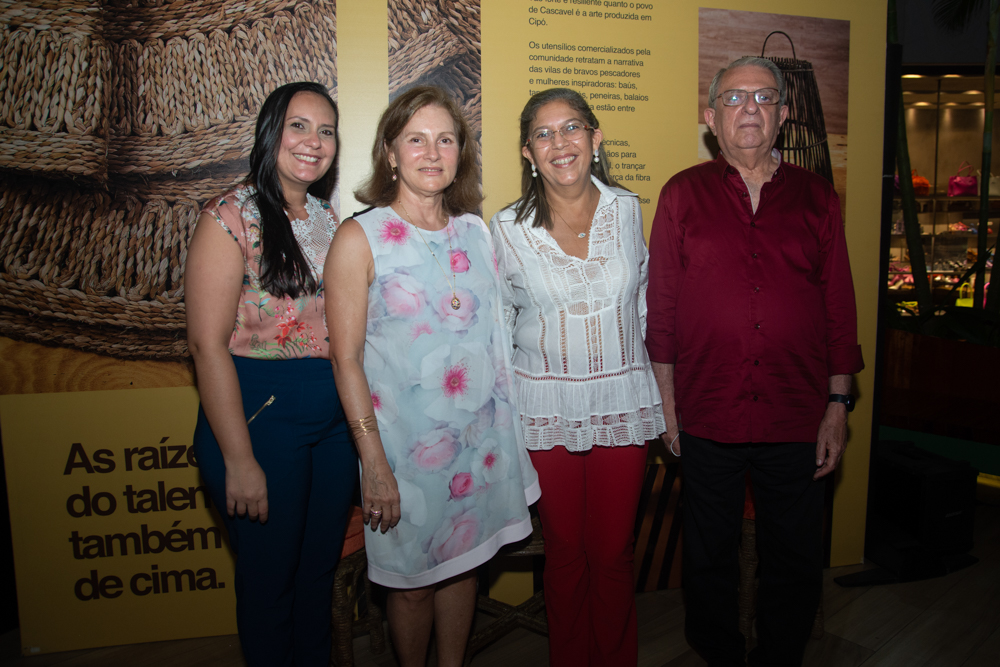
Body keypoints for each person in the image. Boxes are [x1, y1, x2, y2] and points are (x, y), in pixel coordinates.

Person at [646, 57, 864, 667]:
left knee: (794, 555)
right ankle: (717, 652)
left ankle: (780, 656)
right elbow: (660, 310)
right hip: (705, 407)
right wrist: (667, 405)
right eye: (735, 98)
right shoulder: (681, 194)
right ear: (711, 118)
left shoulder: (818, 198)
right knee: (708, 552)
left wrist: (838, 405)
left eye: (764, 97)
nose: (750, 108)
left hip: (796, 412)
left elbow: (838, 309)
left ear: (783, 115)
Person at [325, 85, 540, 667]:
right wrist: (372, 461)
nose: (431, 151)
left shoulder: (476, 232)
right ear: (390, 153)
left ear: (460, 152)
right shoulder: (358, 237)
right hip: (401, 455)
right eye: (415, 139)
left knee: (463, 566)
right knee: (412, 584)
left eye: (445, 139)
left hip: (478, 447)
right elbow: (343, 357)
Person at [489, 88, 666, 667]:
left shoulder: (627, 207)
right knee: (564, 553)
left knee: (613, 552)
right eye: (544, 133)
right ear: (527, 152)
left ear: (595, 137)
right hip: (545, 409)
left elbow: (642, 308)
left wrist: (665, 398)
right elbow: (500, 324)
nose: (559, 143)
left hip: (622, 400)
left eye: (572, 128)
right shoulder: (507, 228)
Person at [186, 82, 356, 666]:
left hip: (332, 422)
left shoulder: (328, 219)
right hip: (259, 415)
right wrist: (238, 459)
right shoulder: (228, 215)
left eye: (326, 130)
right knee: (268, 587)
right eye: (299, 126)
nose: (314, 142)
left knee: (317, 580)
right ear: (270, 134)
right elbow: (206, 347)